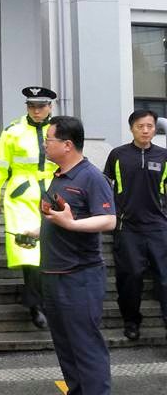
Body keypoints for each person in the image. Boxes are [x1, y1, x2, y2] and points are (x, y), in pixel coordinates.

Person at [37, 116, 116, 395]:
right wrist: (40, 232)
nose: (45, 144)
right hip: (54, 274)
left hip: (79, 277)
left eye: (49, 139)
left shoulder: (91, 176)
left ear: (67, 145)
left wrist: (71, 224)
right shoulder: (58, 176)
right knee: (66, 347)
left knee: (86, 347)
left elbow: (108, 220)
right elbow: (58, 216)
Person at [0, 86, 58, 329]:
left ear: (50, 107)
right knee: (29, 252)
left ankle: (47, 301)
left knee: (52, 249)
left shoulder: (59, 130)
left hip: (53, 191)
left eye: (41, 106)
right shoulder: (13, 131)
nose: (36, 111)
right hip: (22, 195)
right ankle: (36, 305)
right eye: (32, 106)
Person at [103, 109, 167, 341]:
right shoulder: (118, 155)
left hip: (159, 226)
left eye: (150, 126)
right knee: (130, 277)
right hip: (127, 227)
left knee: (164, 279)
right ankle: (131, 321)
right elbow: (105, 186)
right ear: (132, 128)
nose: (146, 130)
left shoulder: (164, 156)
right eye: (141, 126)